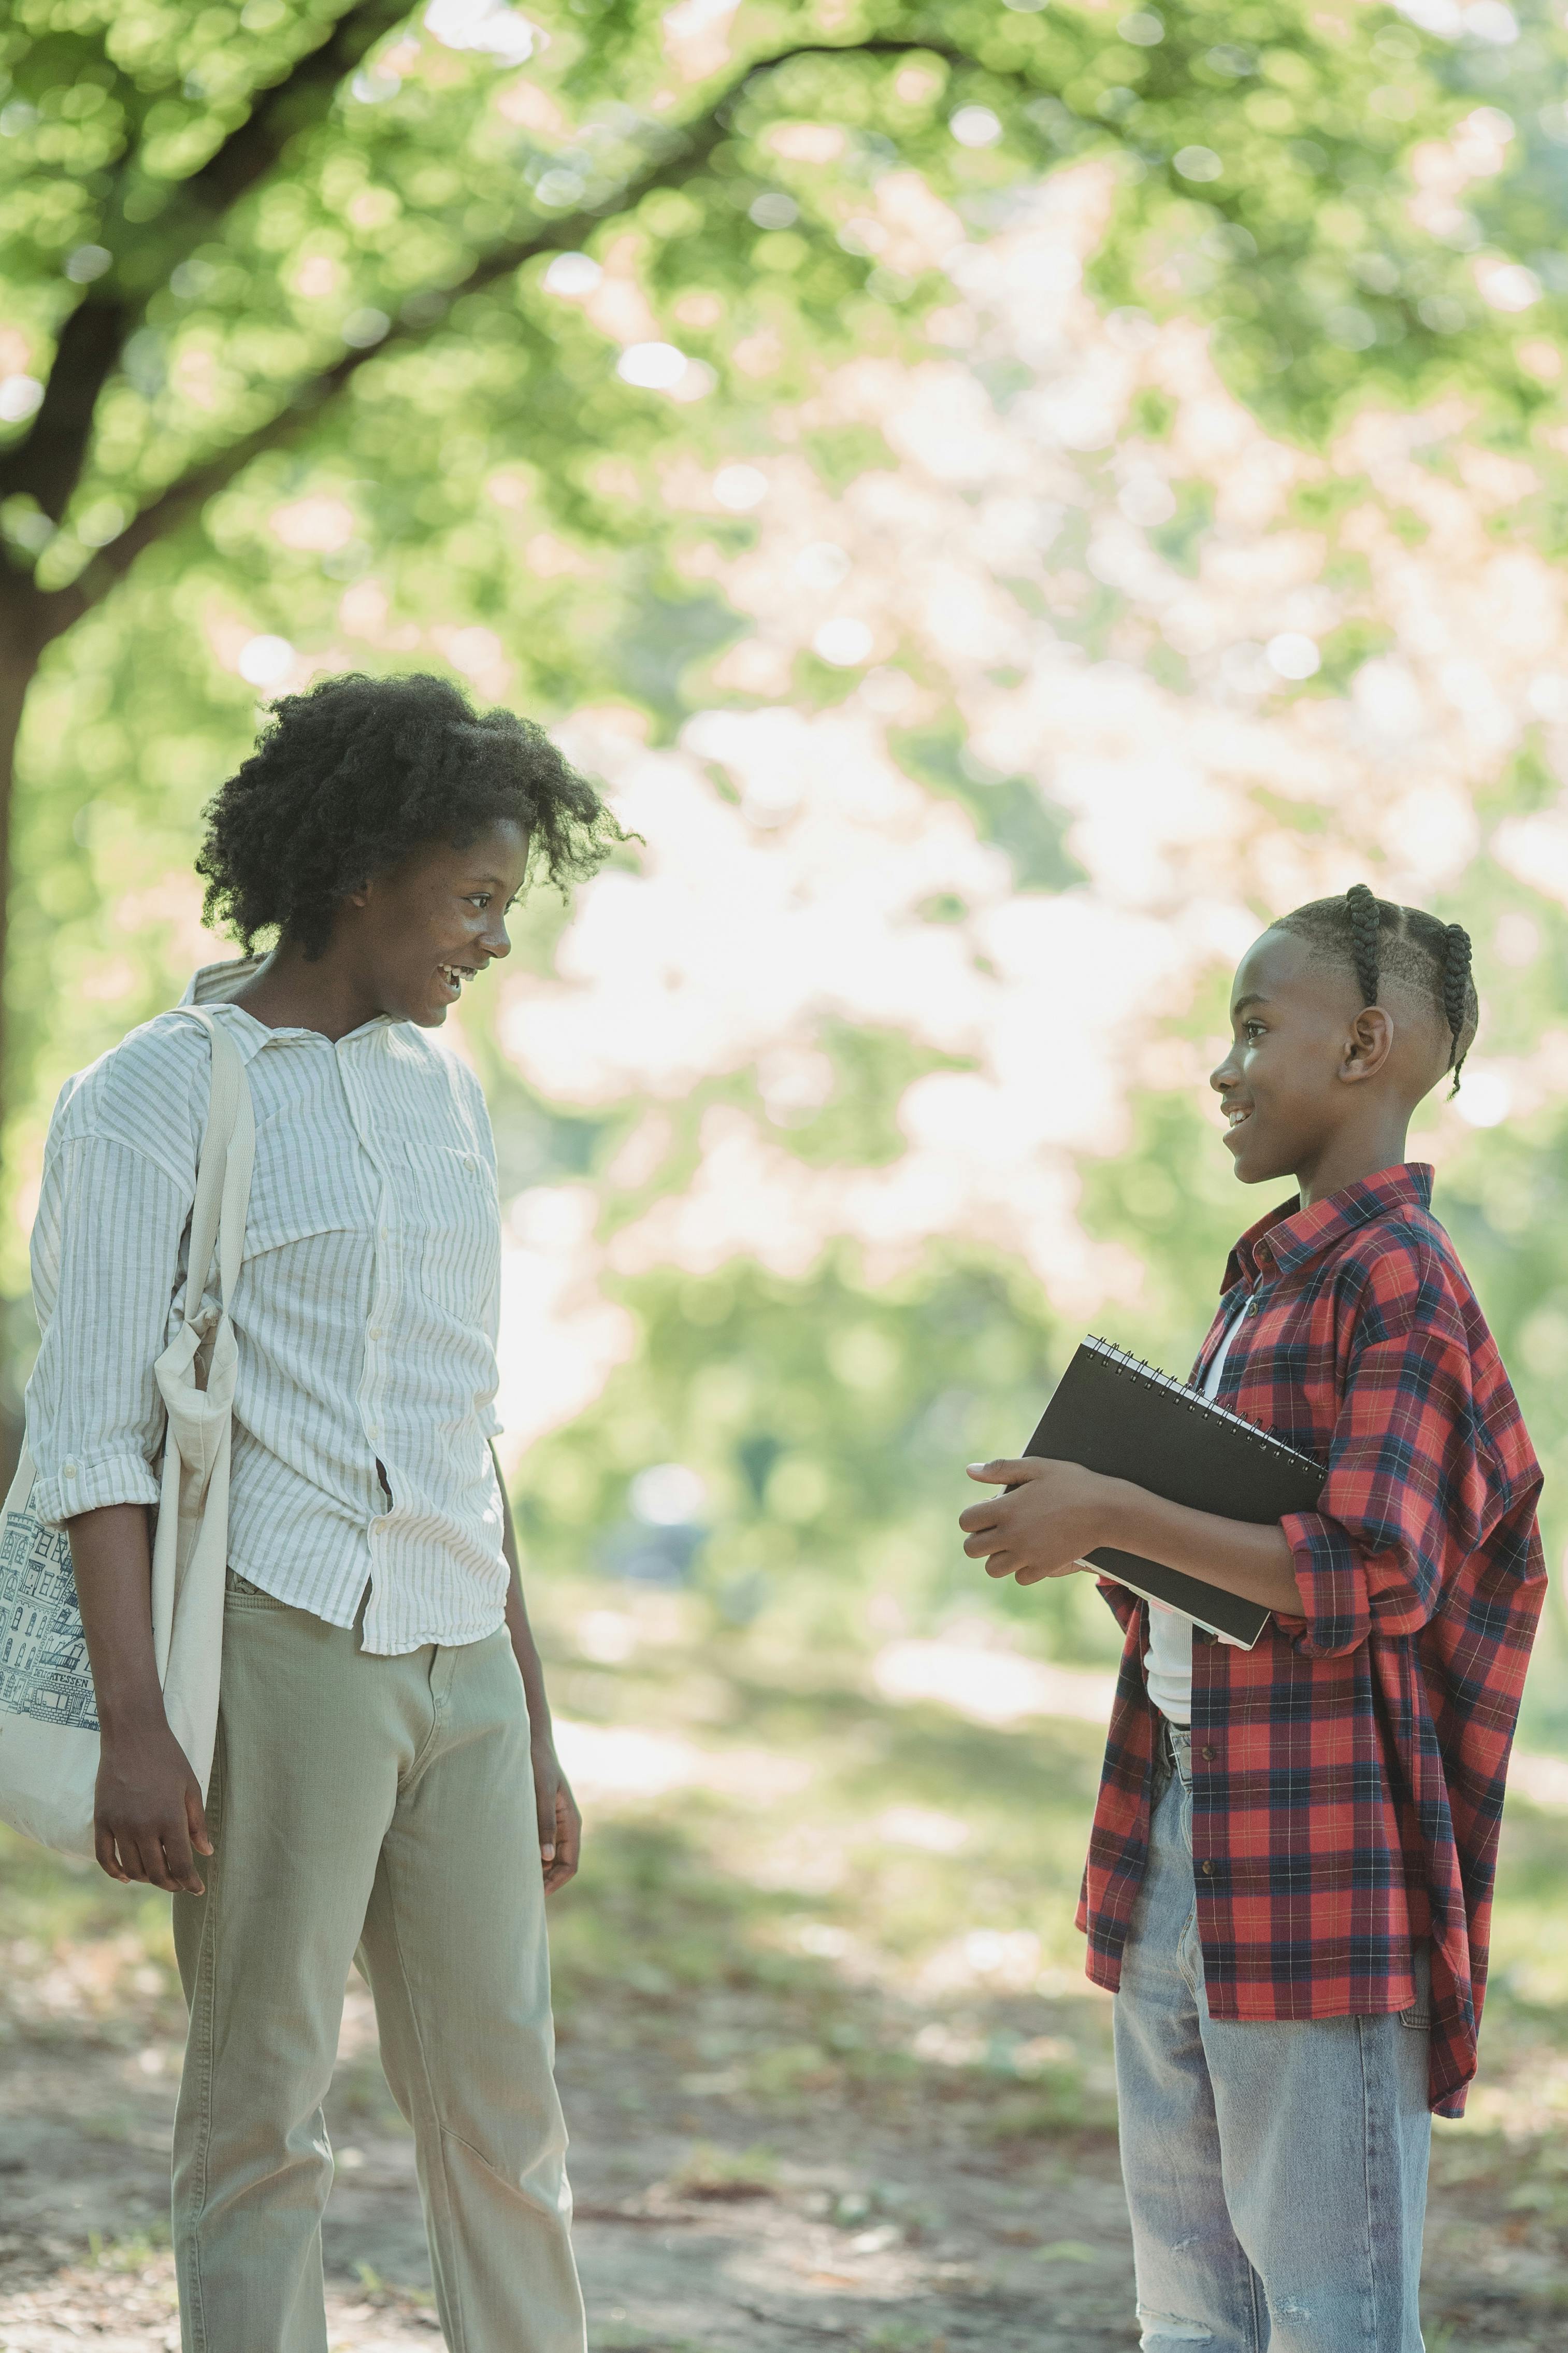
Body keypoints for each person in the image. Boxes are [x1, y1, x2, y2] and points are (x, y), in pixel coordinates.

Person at [25, 671, 628, 2353]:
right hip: (281, 1653)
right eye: (477, 901)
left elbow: (462, 1425)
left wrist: (536, 1713)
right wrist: (141, 1725)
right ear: (364, 869)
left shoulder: (445, 1100)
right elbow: (93, 1442)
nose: (494, 941)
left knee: (508, 2115)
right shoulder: (153, 1095)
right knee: (260, 2113)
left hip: (462, 1663)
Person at [957, 885, 1546, 2353]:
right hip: (1178, 1834)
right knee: (1189, 2308)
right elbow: (1233, 1567)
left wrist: (1106, 1513)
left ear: (1364, 1045)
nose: (1220, 1069)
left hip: (1317, 1868)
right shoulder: (1267, 1282)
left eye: (1251, 1029)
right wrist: (1104, 1523)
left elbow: (1371, 1570)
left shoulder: (1398, 1283)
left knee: (1332, 2313)